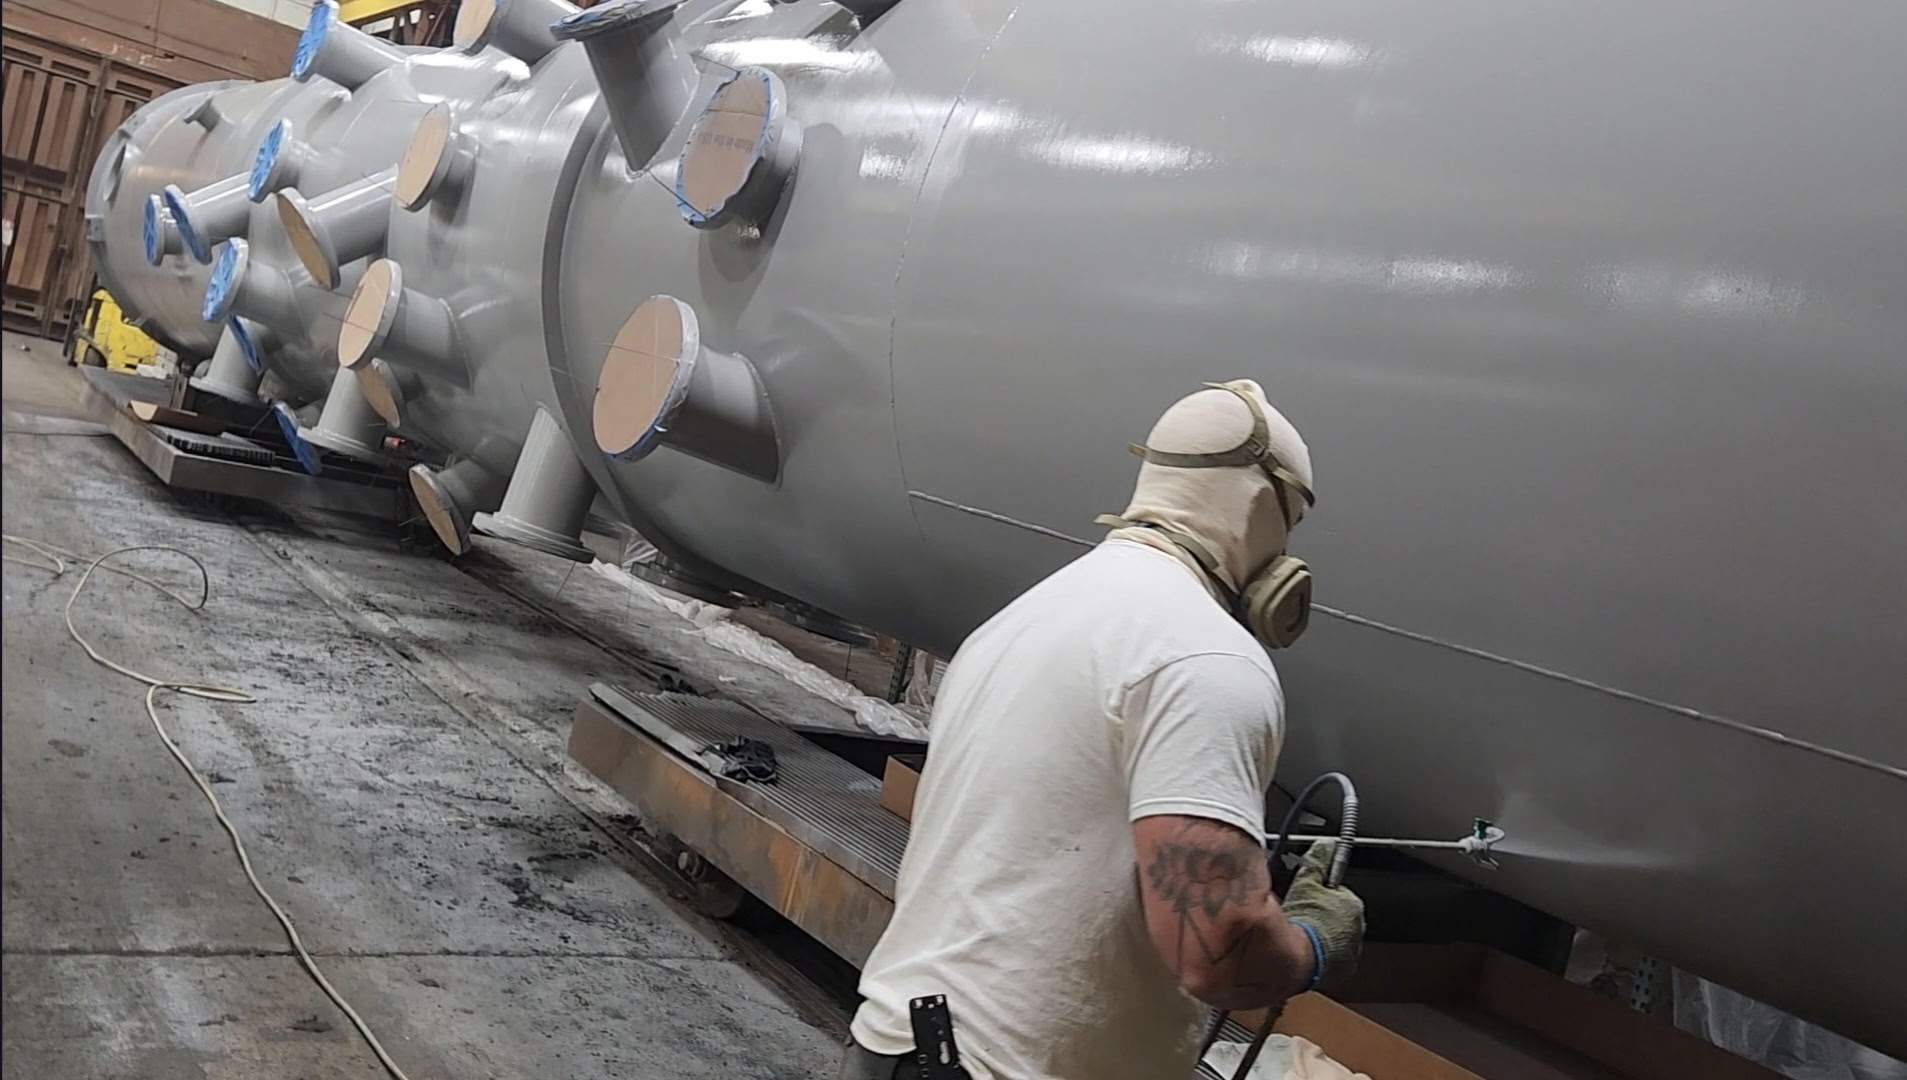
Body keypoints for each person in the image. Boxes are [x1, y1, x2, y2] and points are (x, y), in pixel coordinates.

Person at [839, 381, 1367, 1080]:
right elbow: (1214, 952)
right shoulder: (1208, 659)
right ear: (1261, 509)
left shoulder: (1027, 616)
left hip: (900, 1040)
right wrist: (1314, 942)